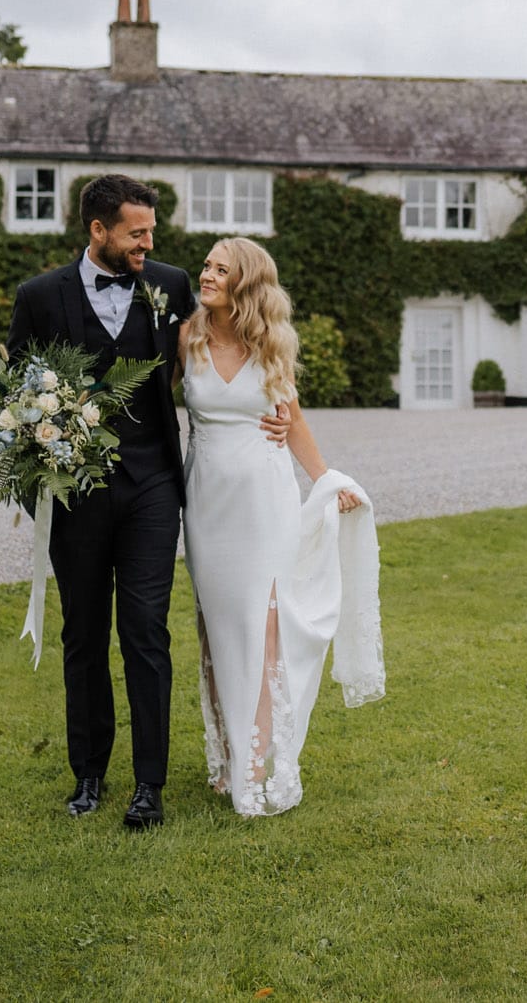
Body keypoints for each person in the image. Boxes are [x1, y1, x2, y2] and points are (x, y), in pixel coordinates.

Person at [6, 174, 286, 830]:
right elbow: (17, 396)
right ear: (98, 230)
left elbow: (236, 340)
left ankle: (148, 785)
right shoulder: (40, 296)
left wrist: (267, 411)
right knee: (83, 633)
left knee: (145, 630)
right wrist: (34, 469)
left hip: (154, 485)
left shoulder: (171, 284)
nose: (148, 242)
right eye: (136, 232)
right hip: (76, 496)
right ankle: (88, 772)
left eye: (151, 231)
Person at [181, 236, 384, 817]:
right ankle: (226, 756)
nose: (209, 274)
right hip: (207, 507)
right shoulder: (186, 337)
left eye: (222, 269)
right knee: (218, 631)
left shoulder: (272, 345)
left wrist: (327, 480)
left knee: (264, 630)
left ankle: (257, 764)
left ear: (246, 283)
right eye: (207, 266)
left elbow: (290, 421)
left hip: (265, 503)